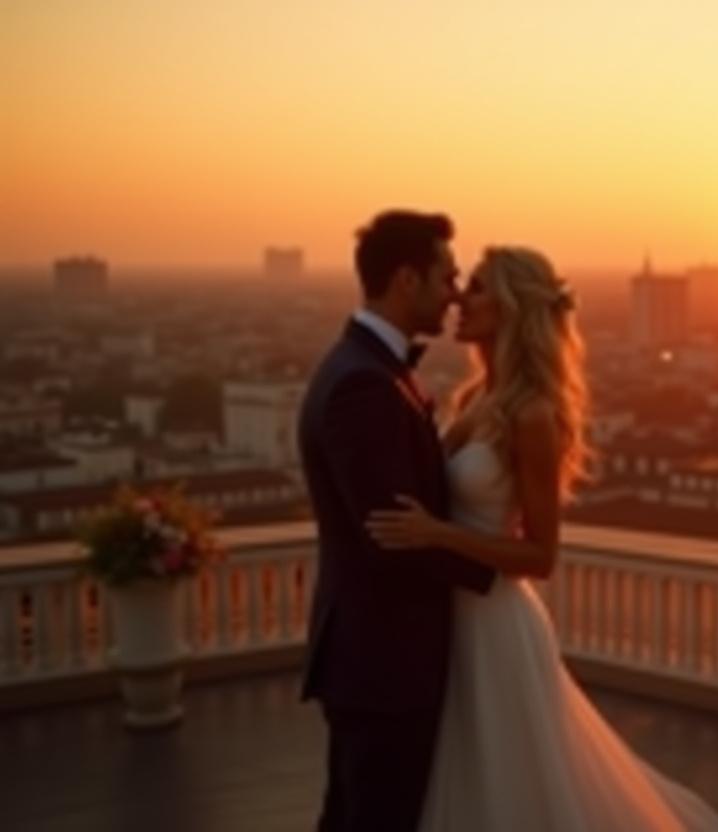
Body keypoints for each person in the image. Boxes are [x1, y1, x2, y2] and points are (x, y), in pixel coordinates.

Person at [365, 246, 718, 831]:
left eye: (476, 289)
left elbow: (540, 555)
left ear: (511, 308)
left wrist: (437, 535)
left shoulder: (532, 414)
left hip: (497, 623)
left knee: (512, 782)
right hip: (455, 619)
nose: (460, 298)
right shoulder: (476, 399)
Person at [298, 210, 500, 832]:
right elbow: (394, 540)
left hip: (374, 656)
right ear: (408, 280)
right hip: (384, 661)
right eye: (448, 276)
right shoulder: (365, 385)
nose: (456, 294)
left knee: (353, 814)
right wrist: (500, 568)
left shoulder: (369, 370)